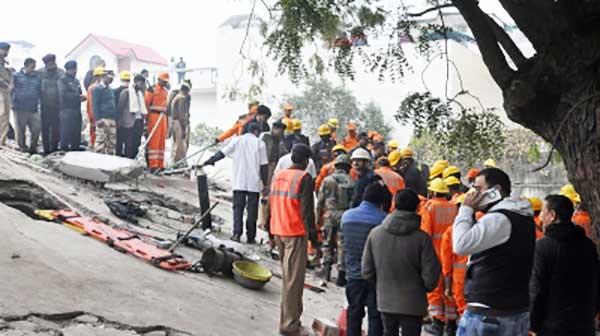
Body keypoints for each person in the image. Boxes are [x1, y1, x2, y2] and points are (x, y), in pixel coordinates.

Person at [453, 168, 535, 336]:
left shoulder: (499, 218)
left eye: (478, 188)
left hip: (489, 312)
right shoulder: (523, 216)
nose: (473, 194)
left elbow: (461, 245)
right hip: (514, 308)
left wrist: (466, 209)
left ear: (495, 191)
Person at [362, 189, 441, 336]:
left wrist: (381, 286)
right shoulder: (422, 239)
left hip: (385, 301)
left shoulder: (376, 234)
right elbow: (431, 274)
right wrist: (422, 289)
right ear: (417, 208)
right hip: (414, 303)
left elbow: (366, 271)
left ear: (394, 204)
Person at [529, 195, 600, 336]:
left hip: (552, 325)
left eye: (543, 212)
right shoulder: (588, 245)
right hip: (584, 322)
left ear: (552, 215)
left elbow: (537, 289)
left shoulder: (543, 246)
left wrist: (533, 323)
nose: (541, 217)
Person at [269, 143, 319, 335]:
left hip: (278, 230)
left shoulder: (279, 175)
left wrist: (269, 231)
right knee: (293, 282)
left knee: (290, 280)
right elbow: (307, 212)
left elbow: (270, 202)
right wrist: (313, 239)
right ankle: (289, 325)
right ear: (306, 161)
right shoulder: (304, 178)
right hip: (294, 233)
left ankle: (292, 321)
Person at [341, 182, 392, 336]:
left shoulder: (347, 216)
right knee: (375, 314)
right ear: (381, 201)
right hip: (376, 277)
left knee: (354, 311)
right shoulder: (384, 221)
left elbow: (343, 244)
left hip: (354, 274)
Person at [203, 122, 268, 243]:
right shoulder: (260, 143)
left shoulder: (237, 140)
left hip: (239, 180)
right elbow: (264, 166)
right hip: (254, 182)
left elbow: (222, 152)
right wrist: (266, 183)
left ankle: (237, 234)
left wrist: (211, 160)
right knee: (252, 210)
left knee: (238, 208)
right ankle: (251, 236)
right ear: (256, 132)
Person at [420, 178, 458, 336]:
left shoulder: (429, 207)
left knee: (435, 289)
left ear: (433, 192)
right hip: (451, 253)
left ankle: (437, 322)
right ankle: (450, 324)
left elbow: (425, 233)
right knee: (449, 289)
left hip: (434, 254)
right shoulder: (454, 208)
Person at [316, 154, 355, 283]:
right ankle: (341, 275)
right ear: (348, 167)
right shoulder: (351, 182)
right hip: (345, 215)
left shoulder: (327, 180)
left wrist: (317, 218)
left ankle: (326, 271)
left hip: (329, 214)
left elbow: (320, 201)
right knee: (342, 244)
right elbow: (353, 202)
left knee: (327, 242)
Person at [439, 194, 468, 336]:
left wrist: (447, 286)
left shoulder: (451, 231)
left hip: (459, 278)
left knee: (464, 312)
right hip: (480, 278)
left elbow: (447, 260)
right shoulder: (484, 227)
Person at [258, 120, 288, 231]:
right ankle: (262, 221)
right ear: (274, 128)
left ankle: (267, 220)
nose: (281, 132)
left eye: (282, 131)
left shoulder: (280, 140)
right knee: (264, 194)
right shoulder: (265, 137)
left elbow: (285, 152)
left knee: (270, 194)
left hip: (275, 168)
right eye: (279, 130)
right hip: (264, 166)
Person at [11, 58, 41, 154]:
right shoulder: (16, 76)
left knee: (36, 128)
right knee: (20, 130)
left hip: (33, 107)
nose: (33, 69)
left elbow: (39, 90)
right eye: (32, 67)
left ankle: (33, 147)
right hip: (19, 107)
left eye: (34, 67)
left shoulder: (37, 77)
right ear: (25, 66)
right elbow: (11, 89)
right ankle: (22, 148)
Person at [38, 54, 64, 155]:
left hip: (57, 106)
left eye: (53, 62)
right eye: (50, 63)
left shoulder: (61, 73)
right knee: (45, 128)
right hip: (44, 105)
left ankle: (54, 148)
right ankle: (46, 149)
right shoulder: (39, 73)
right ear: (46, 64)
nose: (52, 64)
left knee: (56, 128)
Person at [116, 74, 147, 159]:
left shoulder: (140, 94)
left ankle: (132, 161)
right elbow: (120, 108)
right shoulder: (126, 92)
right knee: (128, 144)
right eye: (141, 83)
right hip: (128, 122)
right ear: (136, 82)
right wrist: (119, 121)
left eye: (143, 83)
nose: (142, 85)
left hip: (138, 122)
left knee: (136, 144)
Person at [144, 72, 170, 172]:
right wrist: (146, 119)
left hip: (163, 117)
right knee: (154, 141)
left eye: (165, 82)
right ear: (159, 79)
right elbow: (146, 104)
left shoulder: (165, 91)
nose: (164, 83)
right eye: (163, 81)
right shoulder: (151, 89)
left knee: (161, 141)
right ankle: (153, 164)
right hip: (154, 117)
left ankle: (160, 163)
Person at [57, 61, 85, 151]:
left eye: (76, 69)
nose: (75, 71)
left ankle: (75, 147)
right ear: (69, 69)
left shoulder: (76, 81)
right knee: (66, 131)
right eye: (73, 69)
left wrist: (81, 97)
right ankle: (64, 149)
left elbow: (79, 92)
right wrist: (77, 97)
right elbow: (63, 94)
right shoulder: (62, 80)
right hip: (66, 109)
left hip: (76, 109)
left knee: (76, 131)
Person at [91, 69, 117, 155]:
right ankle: (98, 163)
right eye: (109, 78)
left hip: (112, 118)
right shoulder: (97, 89)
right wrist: (97, 119)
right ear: (103, 77)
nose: (111, 80)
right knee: (101, 142)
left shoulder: (111, 89)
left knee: (112, 142)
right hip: (103, 118)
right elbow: (95, 105)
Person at [170, 81, 191, 163]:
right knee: (180, 146)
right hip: (179, 123)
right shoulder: (181, 98)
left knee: (177, 145)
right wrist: (183, 127)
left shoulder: (175, 97)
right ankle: (178, 164)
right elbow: (182, 115)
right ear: (187, 90)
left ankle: (176, 163)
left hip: (173, 122)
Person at [86, 67, 104, 147]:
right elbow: (91, 104)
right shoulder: (92, 88)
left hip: (103, 116)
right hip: (96, 116)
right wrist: (93, 118)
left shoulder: (105, 87)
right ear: (97, 76)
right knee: (95, 136)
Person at [115, 71, 131, 157]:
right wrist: (117, 119)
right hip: (120, 122)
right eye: (125, 79)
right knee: (119, 142)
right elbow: (117, 107)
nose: (126, 81)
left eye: (128, 80)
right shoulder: (116, 91)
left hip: (129, 122)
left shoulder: (132, 92)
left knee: (128, 143)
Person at [0, 42, 13, 146]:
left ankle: (2, 141)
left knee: (5, 116)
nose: (6, 52)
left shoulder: (3, 63)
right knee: (3, 116)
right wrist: (5, 84)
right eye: (5, 50)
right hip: (1, 92)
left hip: (5, 91)